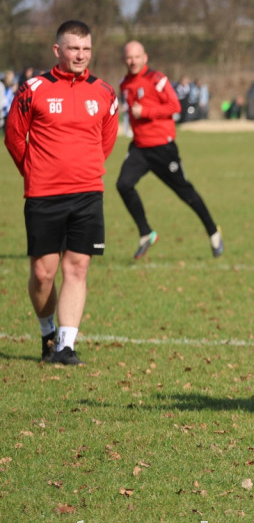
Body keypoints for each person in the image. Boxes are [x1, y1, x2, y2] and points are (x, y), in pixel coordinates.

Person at [4, 20, 119, 365]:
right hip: (43, 194)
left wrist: (87, 167)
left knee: (78, 267)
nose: (80, 55)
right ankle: (47, 333)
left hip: (88, 193)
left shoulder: (104, 92)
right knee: (43, 274)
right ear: (58, 50)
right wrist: (35, 171)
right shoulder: (33, 89)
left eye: (85, 49)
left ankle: (66, 346)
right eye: (73, 48)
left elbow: (107, 139)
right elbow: (13, 136)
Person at [117, 40, 223, 260]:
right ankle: (146, 233)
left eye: (136, 56)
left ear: (145, 57)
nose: (133, 61)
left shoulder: (157, 79)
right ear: (124, 59)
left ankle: (213, 232)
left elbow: (175, 106)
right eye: (129, 57)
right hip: (139, 148)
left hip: (163, 149)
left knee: (186, 193)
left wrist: (145, 111)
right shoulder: (124, 84)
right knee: (123, 184)